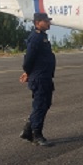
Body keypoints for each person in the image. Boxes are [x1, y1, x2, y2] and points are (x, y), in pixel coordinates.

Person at [19, 12, 56, 147]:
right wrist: (27, 72)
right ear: (38, 22)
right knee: (40, 105)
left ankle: (28, 130)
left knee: (45, 104)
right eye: (46, 21)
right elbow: (28, 58)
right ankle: (36, 135)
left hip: (45, 77)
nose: (48, 23)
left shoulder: (43, 37)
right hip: (39, 78)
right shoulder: (35, 38)